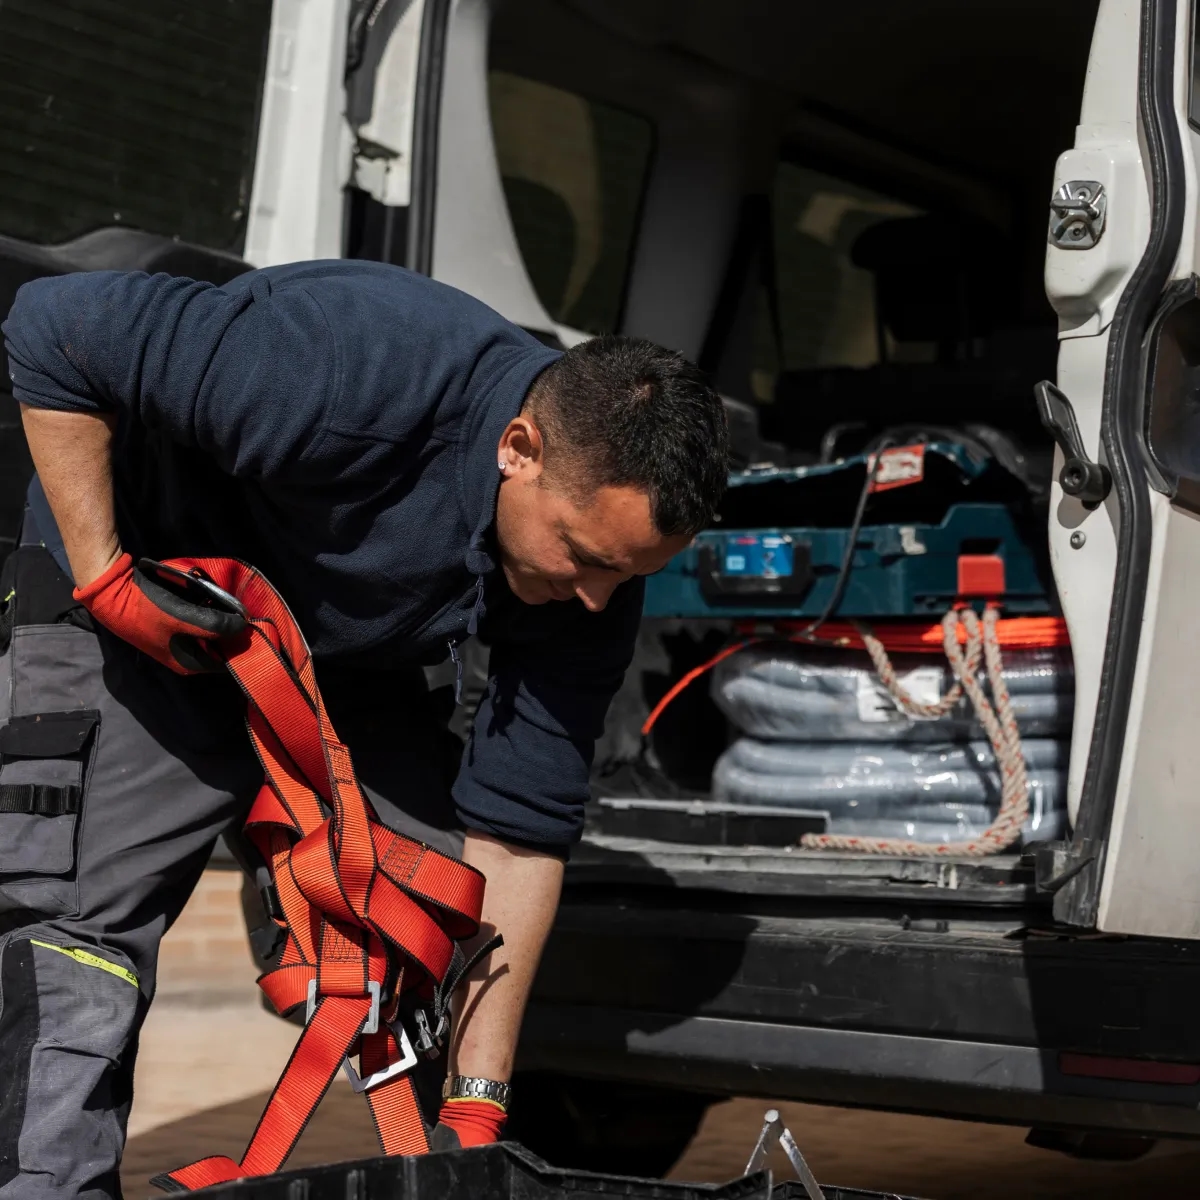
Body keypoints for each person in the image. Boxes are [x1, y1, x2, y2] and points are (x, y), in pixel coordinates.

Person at [0, 260, 728, 1199]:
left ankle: (439, 1167)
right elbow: (54, 326)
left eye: (625, 576)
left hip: (335, 647)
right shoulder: (341, 373)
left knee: (429, 909)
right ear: (519, 447)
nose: (596, 597)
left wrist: (476, 1107)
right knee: (73, 939)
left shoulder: (591, 586)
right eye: (583, 556)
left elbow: (519, 838)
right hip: (142, 596)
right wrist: (103, 574)